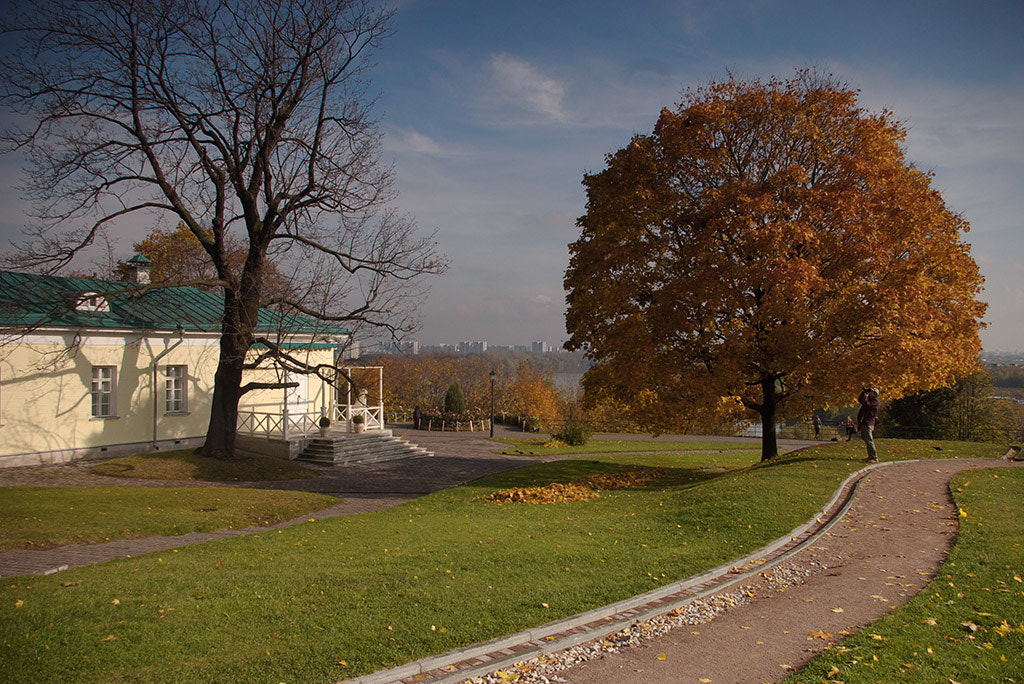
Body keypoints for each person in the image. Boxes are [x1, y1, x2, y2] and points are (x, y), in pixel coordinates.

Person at [857, 387, 881, 463]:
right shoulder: (870, 400)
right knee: (867, 440)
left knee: (869, 440)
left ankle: (874, 457)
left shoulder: (876, 402)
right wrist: (864, 392)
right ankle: (870, 456)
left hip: (869, 422)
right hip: (865, 422)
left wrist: (865, 396)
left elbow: (866, 404)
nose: (869, 393)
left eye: (871, 392)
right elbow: (860, 400)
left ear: (875, 394)